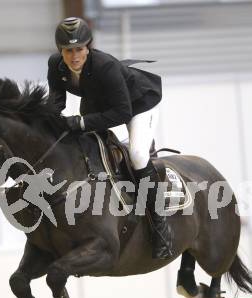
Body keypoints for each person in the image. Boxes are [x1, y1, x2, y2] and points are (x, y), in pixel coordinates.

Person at [47, 16, 173, 260]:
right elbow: (55, 104)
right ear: (60, 51)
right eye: (68, 51)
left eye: (79, 49)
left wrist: (81, 122)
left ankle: (161, 226)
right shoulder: (56, 65)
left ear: (88, 47)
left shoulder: (105, 65)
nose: (74, 56)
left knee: (137, 155)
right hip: (99, 103)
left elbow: (122, 112)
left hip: (138, 104)